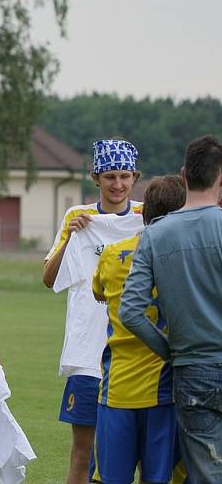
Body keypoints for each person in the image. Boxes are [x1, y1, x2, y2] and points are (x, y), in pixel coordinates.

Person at [120, 135, 222, 482]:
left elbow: (131, 310)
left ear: (183, 175)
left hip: (193, 367)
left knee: (207, 472)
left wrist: (171, 351)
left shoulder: (156, 234)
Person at [42, 138, 143, 484]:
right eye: (110, 176)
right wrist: (70, 238)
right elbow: (48, 279)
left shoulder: (149, 216)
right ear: (95, 178)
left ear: (135, 177)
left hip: (136, 353)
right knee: (83, 454)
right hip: (87, 353)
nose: (118, 185)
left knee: (137, 453)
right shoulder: (77, 217)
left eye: (125, 176)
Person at [92, 175, 186, 484]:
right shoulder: (183, 258)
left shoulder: (111, 254)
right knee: (158, 478)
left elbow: (98, 292)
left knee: (113, 478)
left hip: (117, 387)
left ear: (143, 212)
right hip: (162, 389)